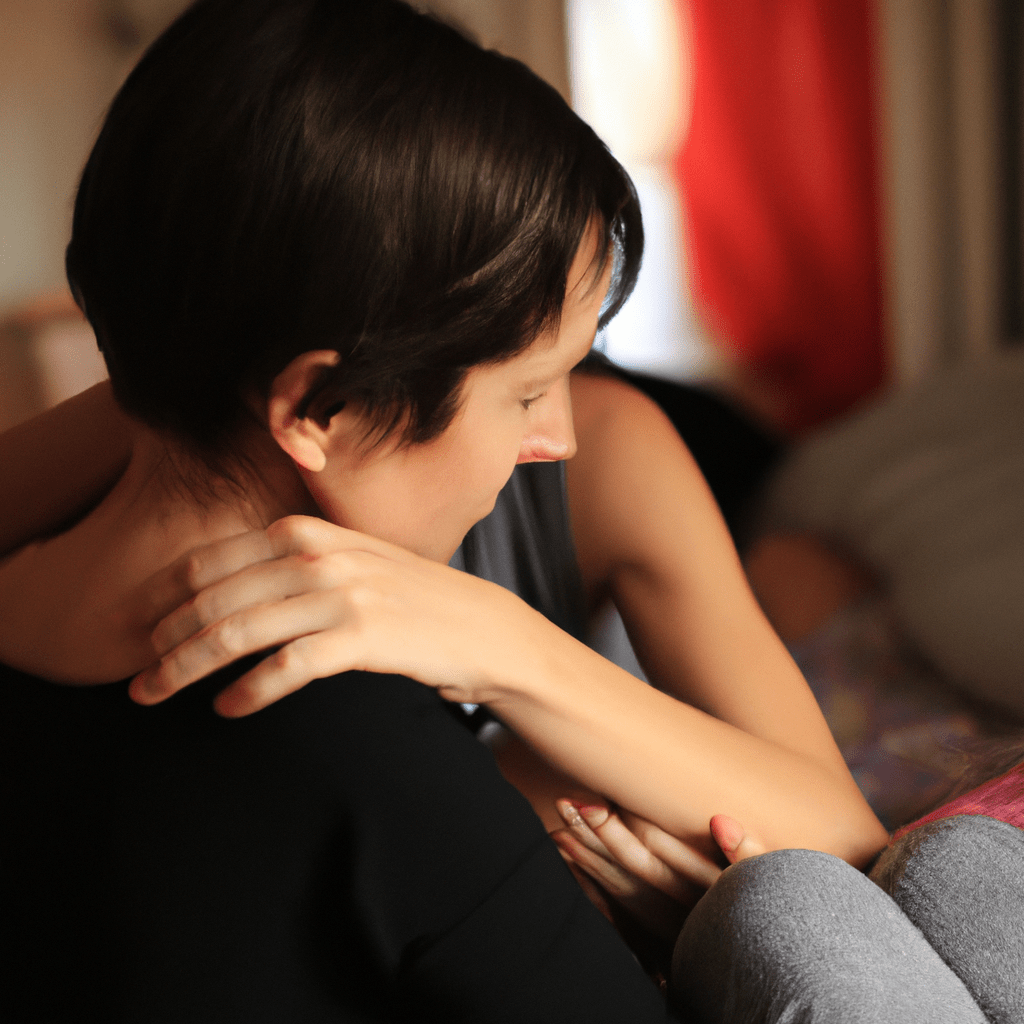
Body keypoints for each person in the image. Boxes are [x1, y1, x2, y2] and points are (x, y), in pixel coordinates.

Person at [0, 1, 1008, 1020]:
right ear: (314, 405)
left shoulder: (592, 460)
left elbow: (837, 833)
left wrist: (495, 639)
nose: (553, 434)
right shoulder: (350, 736)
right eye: (526, 392)